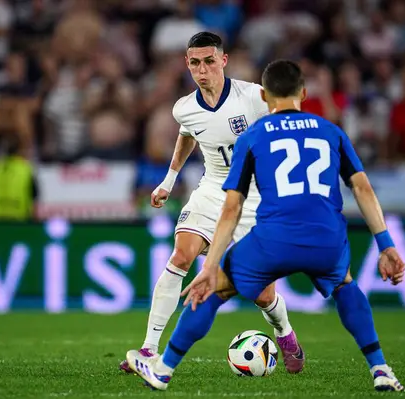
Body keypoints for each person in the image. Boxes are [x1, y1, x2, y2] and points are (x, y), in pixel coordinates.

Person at [126, 59, 405, 392]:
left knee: (214, 290)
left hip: (274, 234)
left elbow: (233, 206)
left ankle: (162, 370)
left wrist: (212, 265)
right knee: (346, 286)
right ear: (303, 93)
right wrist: (386, 245)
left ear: (266, 97)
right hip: (327, 236)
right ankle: (380, 368)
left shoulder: (254, 135)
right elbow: (361, 188)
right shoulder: (331, 131)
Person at [120, 32, 304, 374]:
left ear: (223, 60)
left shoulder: (253, 97)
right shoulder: (184, 108)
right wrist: (168, 181)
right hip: (212, 190)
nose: (202, 70)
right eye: (194, 63)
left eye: (208, 61)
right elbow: (188, 134)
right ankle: (148, 349)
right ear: (187, 65)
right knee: (180, 256)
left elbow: (291, 116)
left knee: (261, 294)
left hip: (255, 197)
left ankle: (284, 331)